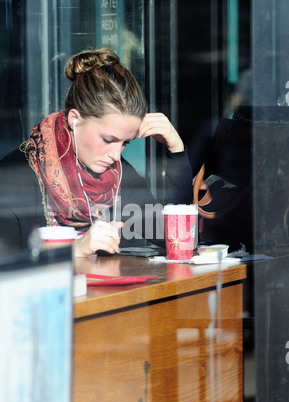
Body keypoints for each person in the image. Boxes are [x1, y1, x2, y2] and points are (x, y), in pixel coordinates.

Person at [0, 48, 192, 257]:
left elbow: (177, 239)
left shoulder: (118, 174)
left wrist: (177, 151)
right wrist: (76, 249)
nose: (116, 155)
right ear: (75, 119)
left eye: (125, 143)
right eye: (108, 140)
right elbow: (7, 268)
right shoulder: (15, 175)